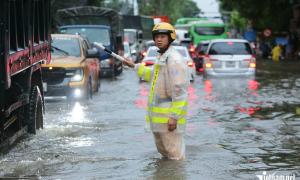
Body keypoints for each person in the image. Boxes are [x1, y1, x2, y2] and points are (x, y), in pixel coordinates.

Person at [123, 22, 189, 160]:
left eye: (162, 37)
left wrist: (174, 117)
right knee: (165, 155)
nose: (159, 39)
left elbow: (180, 91)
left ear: (170, 38)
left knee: (175, 156)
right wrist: (134, 66)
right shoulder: (162, 57)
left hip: (169, 119)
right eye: (157, 36)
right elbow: (152, 75)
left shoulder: (174, 60)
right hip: (159, 120)